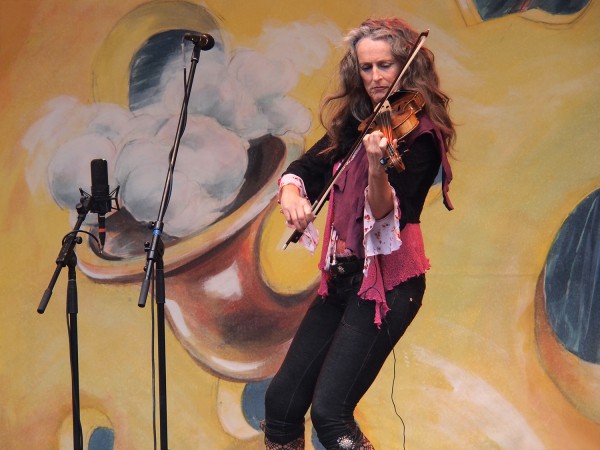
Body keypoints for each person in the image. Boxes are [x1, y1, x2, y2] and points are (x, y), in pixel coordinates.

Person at [262, 17, 455, 450]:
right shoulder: (359, 123)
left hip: (390, 283)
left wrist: (375, 166)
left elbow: (389, 216)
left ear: (406, 65)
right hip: (344, 277)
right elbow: (308, 167)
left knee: (331, 416)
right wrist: (292, 191)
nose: (376, 78)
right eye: (366, 68)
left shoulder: (421, 135)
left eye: (385, 66)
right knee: (281, 403)